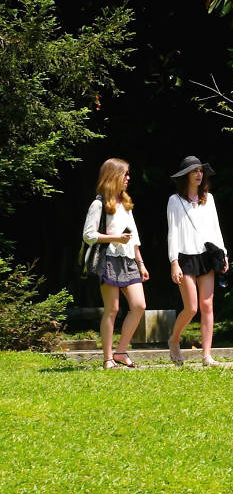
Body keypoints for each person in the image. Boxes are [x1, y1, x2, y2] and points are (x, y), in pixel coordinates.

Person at [82, 158, 149, 369]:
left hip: (129, 260)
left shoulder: (126, 204)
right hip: (108, 259)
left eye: (129, 174)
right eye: (125, 174)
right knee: (112, 309)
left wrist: (141, 264)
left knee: (139, 305)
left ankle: (121, 352)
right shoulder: (99, 204)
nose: (128, 178)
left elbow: (134, 238)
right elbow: (88, 235)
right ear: (113, 176)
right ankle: (108, 358)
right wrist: (115, 239)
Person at [166, 155, 229, 367]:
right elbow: (172, 233)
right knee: (191, 307)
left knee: (207, 305)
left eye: (201, 171)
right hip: (185, 257)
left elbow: (215, 228)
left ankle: (206, 356)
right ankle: (174, 340)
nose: (199, 174)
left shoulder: (208, 199)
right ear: (186, 176)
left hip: (206, 256)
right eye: (195, 171)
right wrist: (174, 261)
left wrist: (224, 254)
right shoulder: (174, 201)